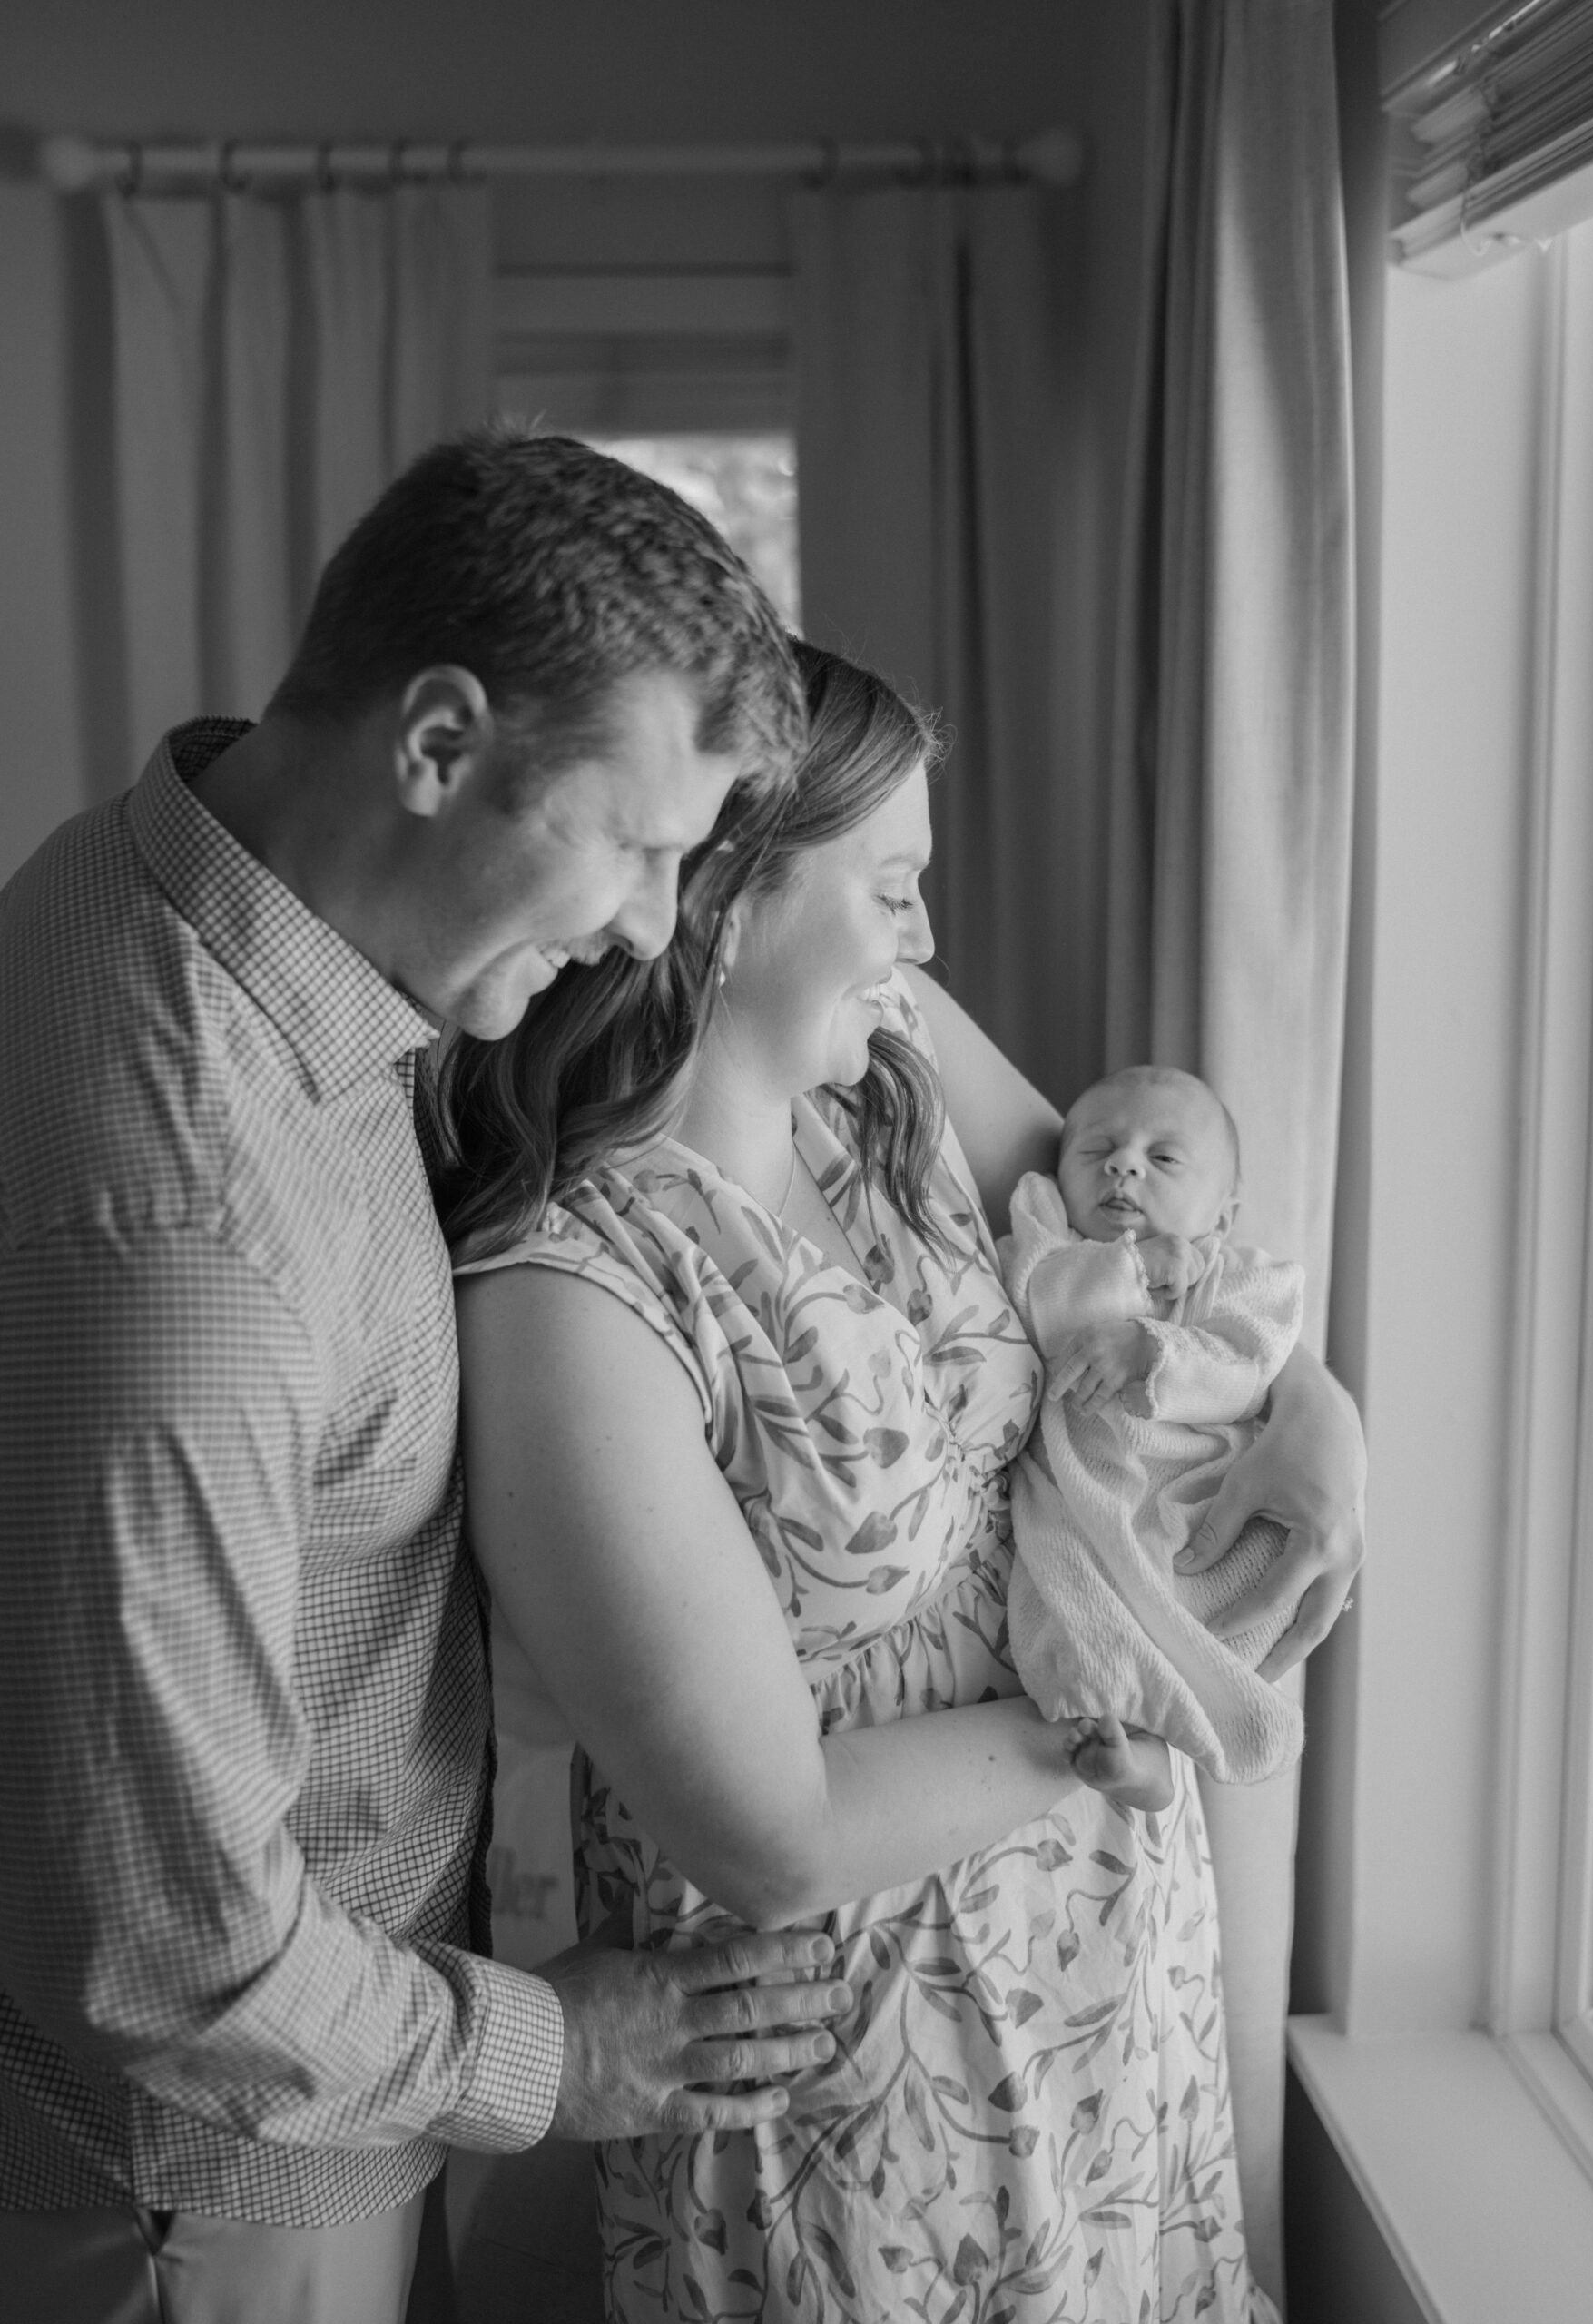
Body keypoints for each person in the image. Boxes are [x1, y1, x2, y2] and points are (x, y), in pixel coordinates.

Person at [0, 428, 857, 2324]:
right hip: (201, 2191)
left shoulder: (176, 886)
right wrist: (561, 2056)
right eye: (638, 842)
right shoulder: (190, 1240)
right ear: (439, 742)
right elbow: (166, 1955)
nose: (647, 919)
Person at [443, 640, 1364, 2322]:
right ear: (717, 907)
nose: (926, 940)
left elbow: (1156, 1250)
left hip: (1105, 1967)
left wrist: (1315, 1412)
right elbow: (774, 1834)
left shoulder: (889, 1068)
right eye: (890, 890)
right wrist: (1122, 1727)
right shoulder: (569, 1295)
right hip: (861, 2072)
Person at [1001, 1065, 1306, 1786]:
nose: (1122, 1164)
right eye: (1095, 1149)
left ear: (1223, 1216)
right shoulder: (1048, 1245)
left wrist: (1152, 1348)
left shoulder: (1244, 1279)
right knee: (1070, 1611)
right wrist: (1132, 1271)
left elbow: (1249, 1365)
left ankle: (1195, 1738)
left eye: (1162, 1158)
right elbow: (1042, 1309)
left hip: (1196, 1489)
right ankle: (1135, 1752)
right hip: (1084, 1497)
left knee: (1229, 1602)